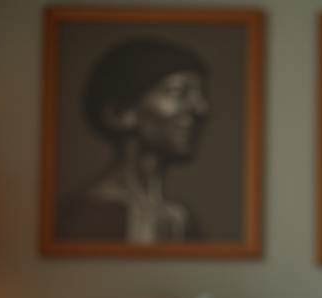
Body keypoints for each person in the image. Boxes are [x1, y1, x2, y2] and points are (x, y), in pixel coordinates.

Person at [57, 38, 210, 243]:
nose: (202, 108)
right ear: (120, 113)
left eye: (202, 95)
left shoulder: (182, 219)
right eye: (178, 92)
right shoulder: (87, 215)